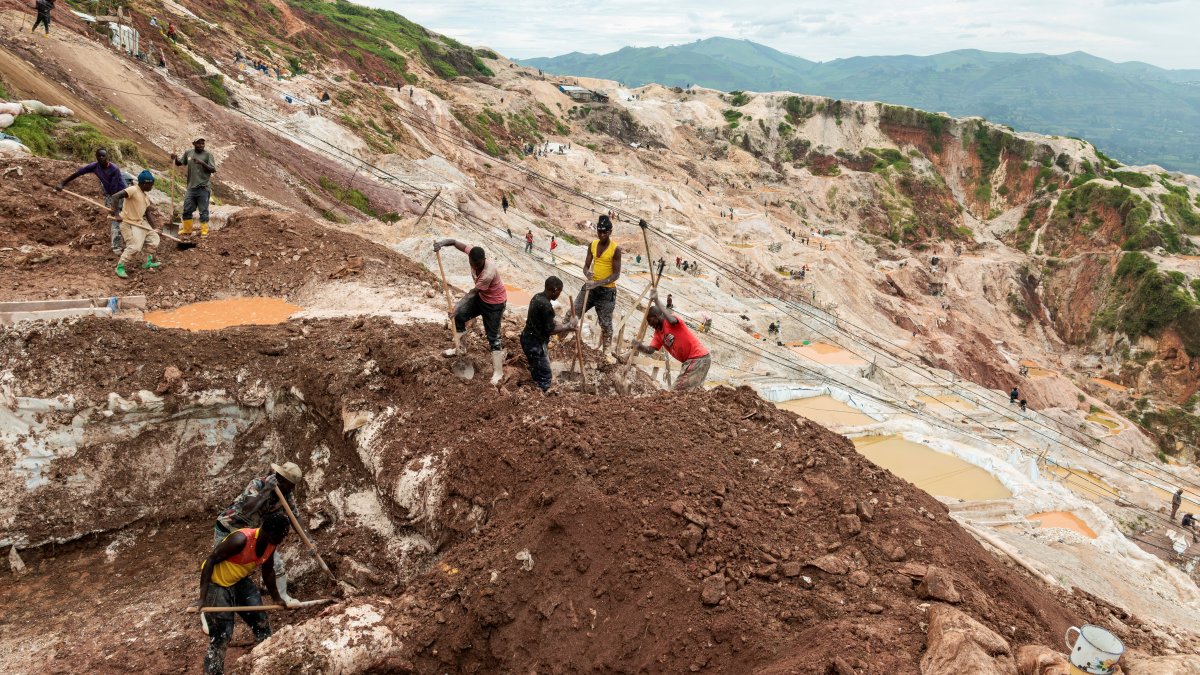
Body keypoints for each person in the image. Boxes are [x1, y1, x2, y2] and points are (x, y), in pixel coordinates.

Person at [198, 511, 292, 675]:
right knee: (222, 633)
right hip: (217, 583)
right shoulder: (240, 539)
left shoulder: (271, 543)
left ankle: (268, 661)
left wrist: (277, 598)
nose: (282, 540)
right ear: (270, 533)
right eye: (281, 536)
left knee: (260, 619)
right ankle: (213, 671)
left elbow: (268, 571)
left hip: (238, 579)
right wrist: (202, 597)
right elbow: (210, 560)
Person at [214, 462, 305, 609]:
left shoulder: (286, 494)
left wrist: (308, 539)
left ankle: (282, 596)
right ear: (279, 479)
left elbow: (295, 517)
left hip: (255, 532)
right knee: (220, 565)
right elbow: (247, 509)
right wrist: (267, 491)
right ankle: (210, 606)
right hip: (229, 527)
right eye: (290, 485)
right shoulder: (258, 484)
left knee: (275, 562)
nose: (292, 489)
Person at [433, 238, 508, 384]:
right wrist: (441, 244)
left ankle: (498, 372)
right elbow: (454, 242)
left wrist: (457, 306)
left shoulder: (488, 273)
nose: (475, 266)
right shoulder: (473, 253)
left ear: (483, 260)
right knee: (459, 317)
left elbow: (473, 292)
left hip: (494, 304)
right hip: (482, 297)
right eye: (473, 264)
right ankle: (461, 349)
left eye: (478, 264)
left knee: (493, 337)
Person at [633, 289, 711, 391]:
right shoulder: (658, 334)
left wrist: (656, 300)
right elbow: (650, 350)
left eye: (650, 320)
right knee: (692, 392)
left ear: (657, 316)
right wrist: (639, 346)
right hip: (695, 360)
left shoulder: (671, 321)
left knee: (676, 391)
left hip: (697, 358)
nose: (649, 324)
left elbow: (671, 319)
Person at [57, 148, 128, 255]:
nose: (101, 158)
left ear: (107, 157)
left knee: (120, 217)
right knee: (115, 219)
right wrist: (63, 183)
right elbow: (78, 173)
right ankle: (118, 244)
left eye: (103, 156)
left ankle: (123, 244)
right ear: (96, 157)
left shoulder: (114, 169)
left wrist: (114, 208)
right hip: (109, 194)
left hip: (121, 193)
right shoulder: (94, 166)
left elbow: (114, 190)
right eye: (99, 156)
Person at [574, 215, 622, 354]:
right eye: (599, 231)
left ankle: (607, 352)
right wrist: (587, 273)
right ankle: (559, 338)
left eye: (605, 232)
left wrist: (598, 283)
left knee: (606, 324)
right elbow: (586, 266)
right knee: (574, 313)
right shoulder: (593, 245)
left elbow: (616, 274)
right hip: (590, 288)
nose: (601, 235)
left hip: (607, 292)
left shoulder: (615, 249)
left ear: (610, 232)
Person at [521, 276, 577, 392]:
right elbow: (550, 330)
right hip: (535, 344)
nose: (559, 295)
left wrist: (564, 326)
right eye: (559, 292)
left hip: (528, 338)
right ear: (554, 290)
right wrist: (568, 326)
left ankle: (535, 383)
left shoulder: (537, 297)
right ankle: (542, 396)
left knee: (537, 367)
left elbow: (545, 321)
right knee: (545, 375)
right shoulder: (546, 306)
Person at [111, 170, 162, 279]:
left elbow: (147, 213)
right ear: (144, 183)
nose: (151, 187)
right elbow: (115, 196)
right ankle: (120, 267)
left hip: (140, 222)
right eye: (150, 185)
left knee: (154, 240)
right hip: (128, 222)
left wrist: (155, 228)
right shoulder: (133, 189)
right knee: (134, 247)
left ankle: (146, 262)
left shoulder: (145, 196)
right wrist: (116, 215)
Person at [173, 139, 218, 238]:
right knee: (187, 210)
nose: (201, 145)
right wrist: (175, 159)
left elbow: (213, 169)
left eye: (203, 143)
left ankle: (204, 231)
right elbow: (180, 163)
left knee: (203, 211)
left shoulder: (208, 155)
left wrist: (202, 163)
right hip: (191, 188)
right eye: (199, 143)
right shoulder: (188, 153)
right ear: (194, 144)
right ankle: (187, 230)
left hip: (203, 187)